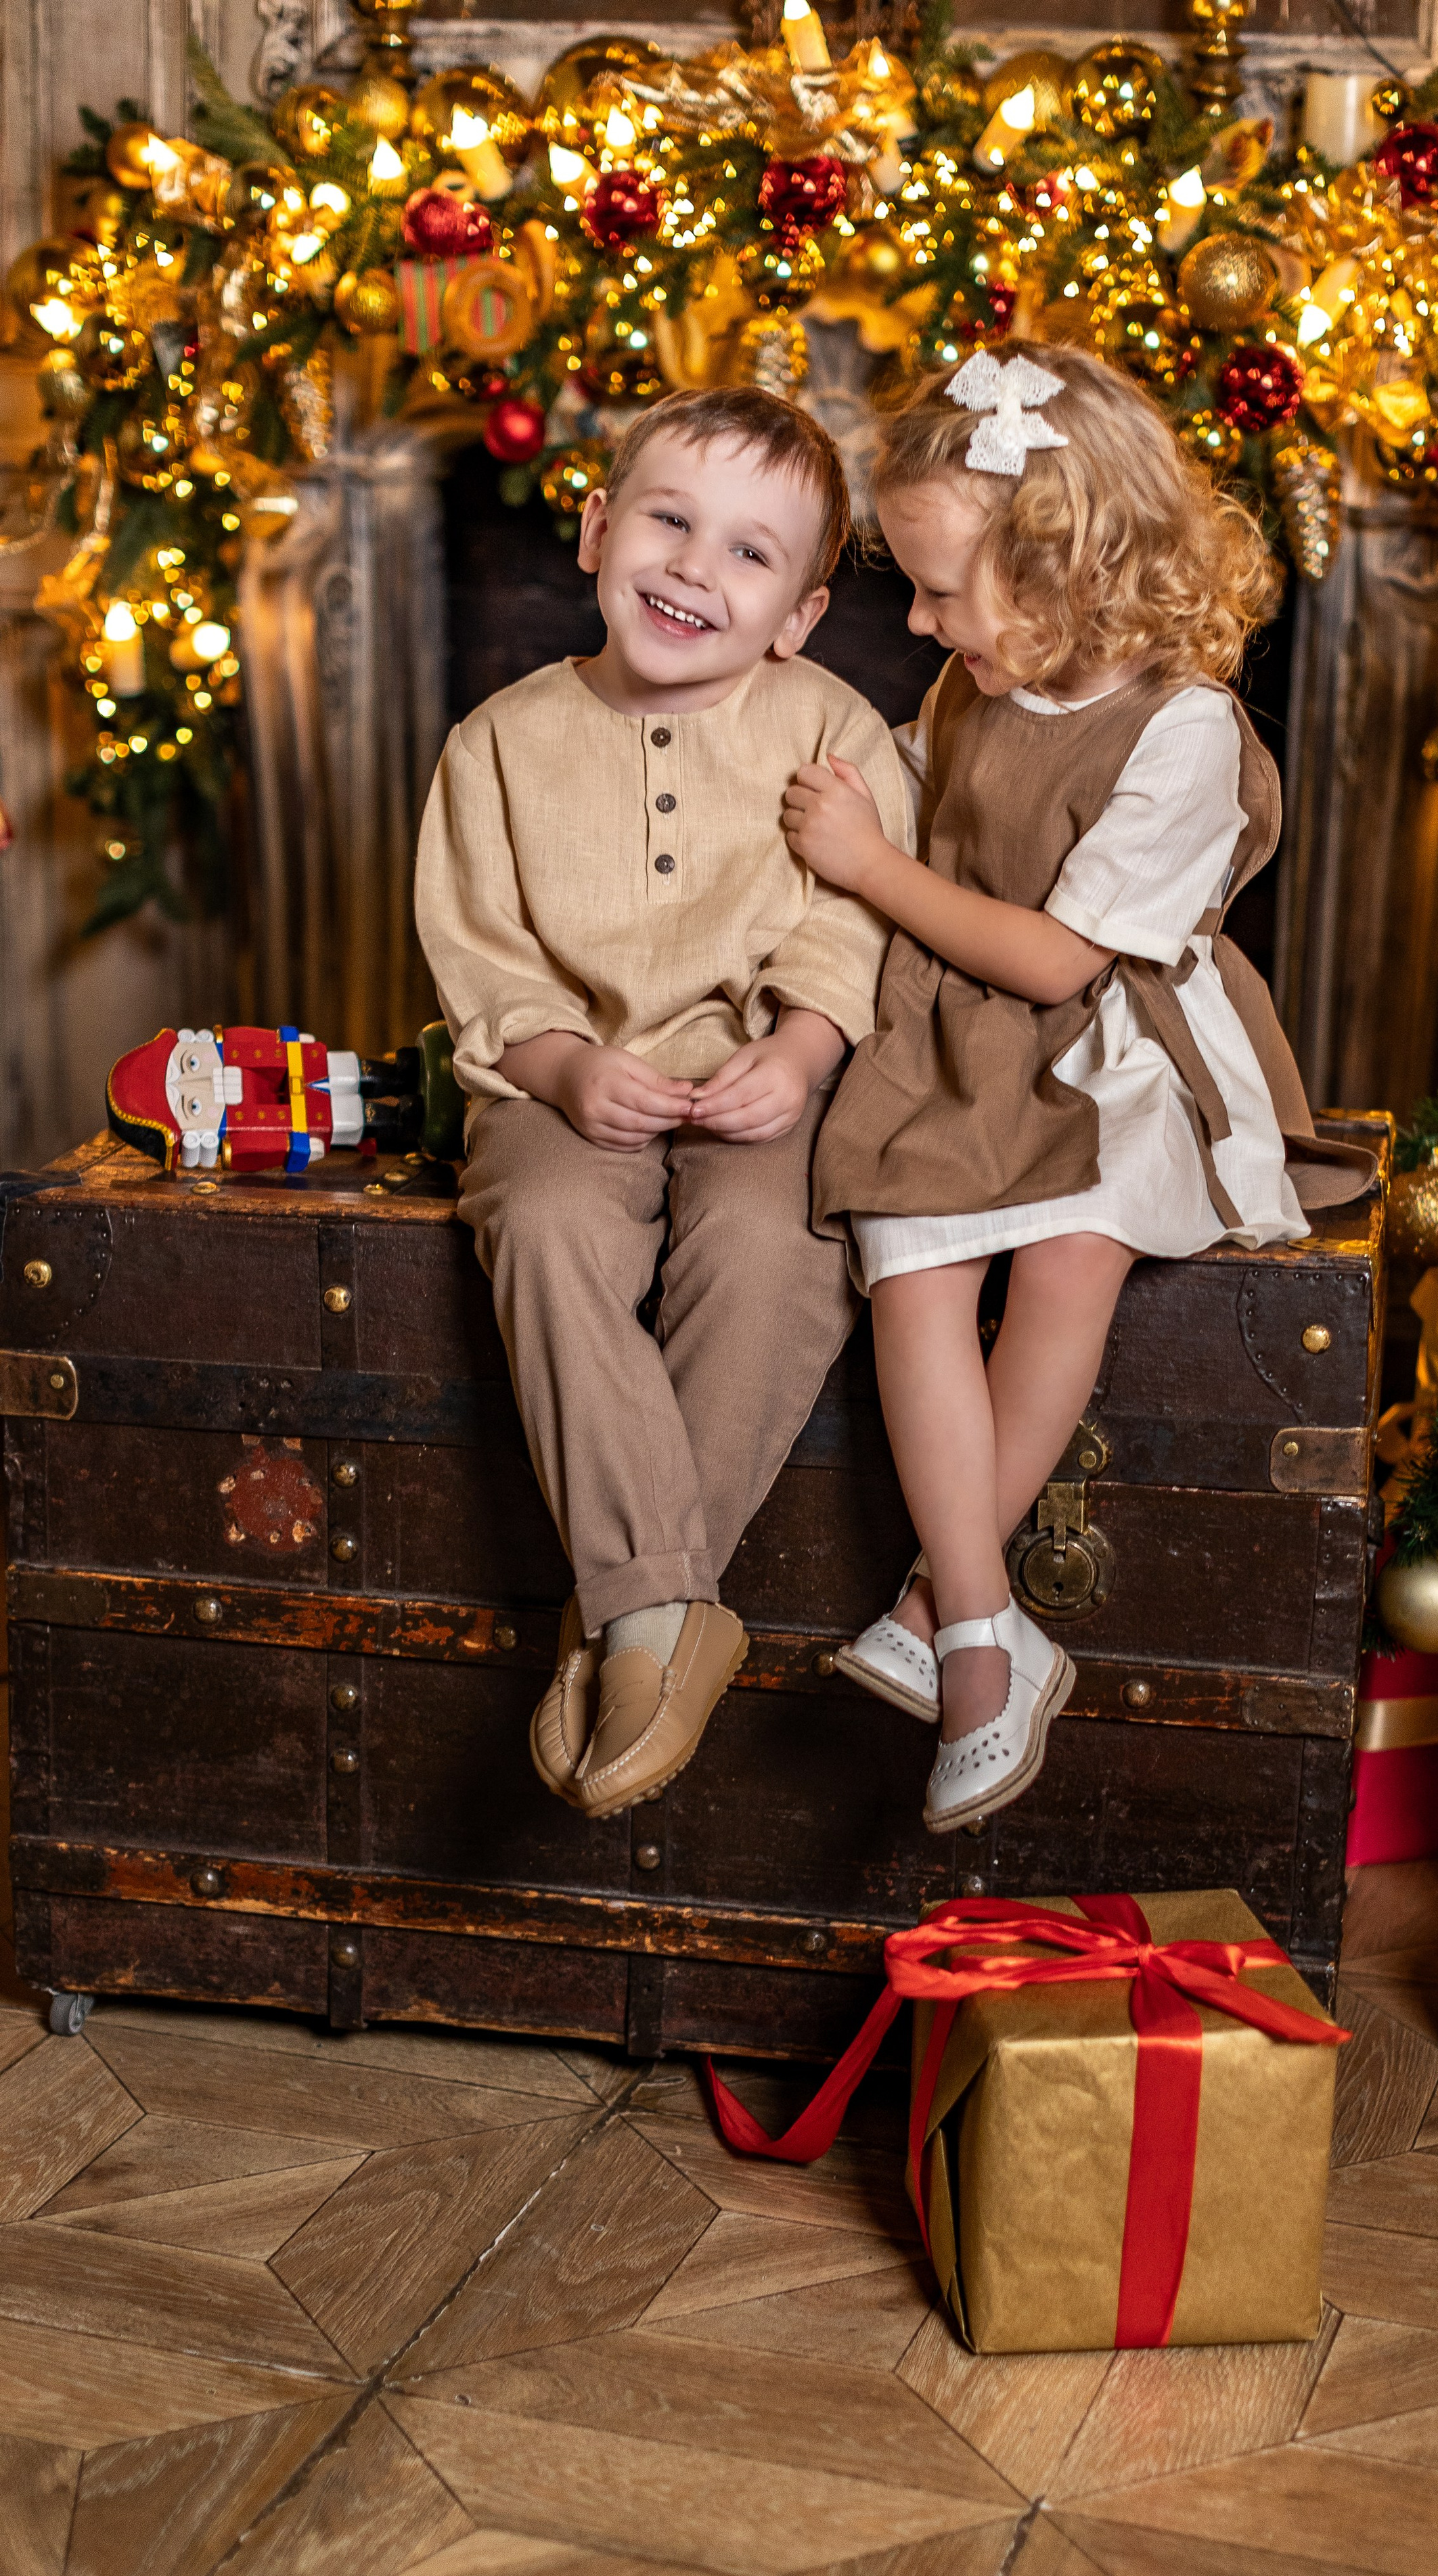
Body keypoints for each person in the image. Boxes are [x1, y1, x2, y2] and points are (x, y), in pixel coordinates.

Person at [786, 344, 1374, 1835]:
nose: (917, 623)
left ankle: (944, 1619)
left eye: (938, 593)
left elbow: (1057, 961)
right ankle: (982, 1620)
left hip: (1106, 1036)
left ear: (1061, 578)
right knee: (911, 1262)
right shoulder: (975, 680)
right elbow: (913, 797)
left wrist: (869, 865)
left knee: (1069, 1251)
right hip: (954, 1025)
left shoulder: (1183, 732)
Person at [416, 386, 906, 1821]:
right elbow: (483, 950)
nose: (696, 567)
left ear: (799, 616)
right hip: (566, 1076)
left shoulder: (832, 727)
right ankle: (670, 1615)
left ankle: (629, 1620)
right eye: (669, 520)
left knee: (779, 1241)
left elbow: (857, 917)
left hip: (767, 1078)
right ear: (594, 530)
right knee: (543, 1220)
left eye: (750, 553)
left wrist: (802, 1051)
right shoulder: (496, 742)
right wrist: (564, 1066)